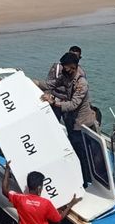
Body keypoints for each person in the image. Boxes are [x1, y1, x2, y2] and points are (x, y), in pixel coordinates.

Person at [41, 52, 97, 187]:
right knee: (74, 150)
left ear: (75, 66)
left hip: (83, 124)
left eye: (68, 68)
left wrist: (54, 102)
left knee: (84, 154)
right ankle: (78, 176)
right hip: (72, 123)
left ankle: (87, 181)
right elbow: (50, 84)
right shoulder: (66, 77)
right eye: (64, 68)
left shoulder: (81, 83)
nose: (66, 71)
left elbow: (73, 104)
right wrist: (30, 81)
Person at [36, 45, 85, 121]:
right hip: (56, 99)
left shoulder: (81, 79)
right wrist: (36, 83)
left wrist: (54, 102)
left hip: (68, 105)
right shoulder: (60, 70)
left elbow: (75, 102)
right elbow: (49, 84)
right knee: (54, 120)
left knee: (70, 125)